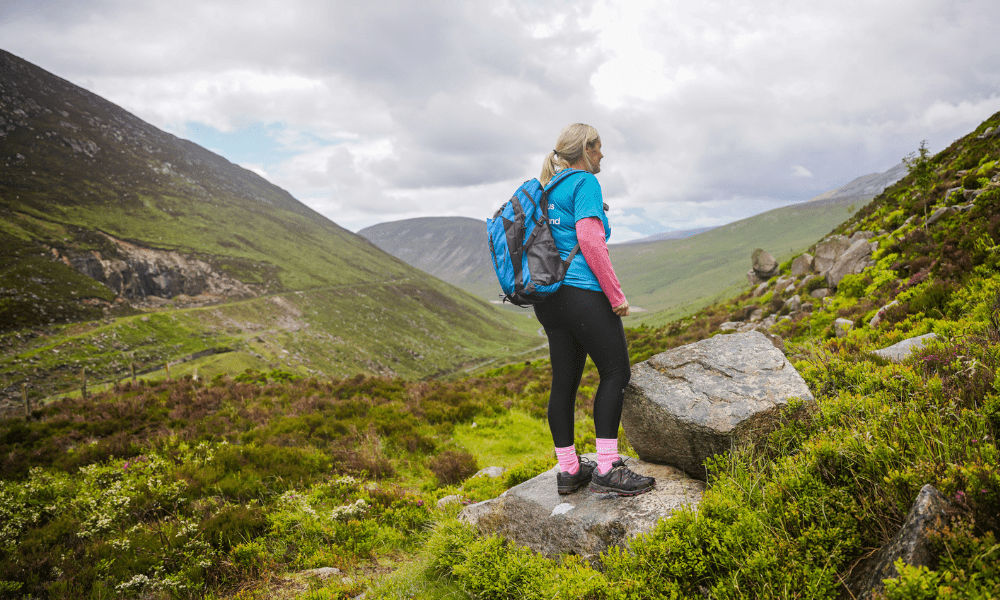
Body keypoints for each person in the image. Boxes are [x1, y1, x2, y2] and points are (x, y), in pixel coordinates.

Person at [535, 123, 655, 496]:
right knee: (616, 372)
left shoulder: (548, 188)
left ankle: (569, 469)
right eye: (599, 148)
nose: (603, 155)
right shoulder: (585, 183)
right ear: (586, 149)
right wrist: (616, 295)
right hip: (581, 293)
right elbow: (590, 240)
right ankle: (607, 467)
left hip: (549, 297)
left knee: (565, 382)